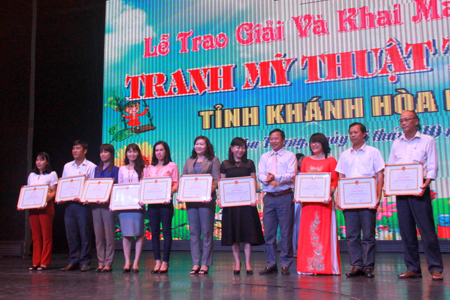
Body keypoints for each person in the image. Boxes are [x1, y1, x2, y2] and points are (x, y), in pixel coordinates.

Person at [388, 110, 443, 281]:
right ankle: (412, 267)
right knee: (406, 231)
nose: (404, 123)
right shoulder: (396, 143)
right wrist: (389, 185)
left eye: (407, 119)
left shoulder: (428, 140)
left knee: (427, 230)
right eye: (401, 120)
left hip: (420, 190)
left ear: (416, 121)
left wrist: (426, 184)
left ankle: (435, 268)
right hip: (401, 193)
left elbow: (432, 166)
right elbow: (391, 167)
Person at [335, 123, 384, 278]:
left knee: (368, 235)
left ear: (364, 134)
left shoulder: (373, 152)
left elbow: (379, 175)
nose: (352, 135)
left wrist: (377, 196)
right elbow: (341, 177)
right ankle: (356, 265)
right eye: (350, 133)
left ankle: (368, 266)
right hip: (349, 201)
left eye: (356, 132)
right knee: (352, 235)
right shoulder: (344, 154)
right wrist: (338, 197)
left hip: (368, 200)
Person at [219, 137, 264, 275]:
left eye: (243, 147)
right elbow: (222, 184)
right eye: (237, 147)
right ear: (231, 148)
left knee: (248, 235)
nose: (240, 150)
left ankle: (249, 262)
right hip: (231, 206)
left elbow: (253, 182)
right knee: (234, 235)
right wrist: (221, 199)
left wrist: (253, 197)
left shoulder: (249, 163)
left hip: (247, 205)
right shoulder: (225, 164)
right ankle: (237, 262)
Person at [296, 133, 341, 275]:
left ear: (323, 144)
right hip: (308, 204)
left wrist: (329, 193)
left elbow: (334, 180)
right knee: (308, 233)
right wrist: (299, 194)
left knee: (324, 233)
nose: (314, 145)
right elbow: (302, 180)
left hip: (324, 203)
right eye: (312, 142)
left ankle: (326, 266)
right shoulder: (306, 161)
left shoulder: (331, 160)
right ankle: (308, 267)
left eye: (317, 142)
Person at [257, 128, 297, 275]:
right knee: (269, 233)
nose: (273, 141)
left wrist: (275, 177)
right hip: (269, 197)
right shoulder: (264, 156)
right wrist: (264, 179)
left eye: (276, 138)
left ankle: (285, 263)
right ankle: (271, 263)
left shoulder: (290, 156)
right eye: (271, 138)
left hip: (284, 196)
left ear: (283, 140)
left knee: (286, 231)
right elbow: (260, 173)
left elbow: (291, 175)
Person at [180, 136, 220, 275]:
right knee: (193, 232)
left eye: (201, 144)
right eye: (196, 144)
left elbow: (216, 180)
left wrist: (207, 193)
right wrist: (181, 195)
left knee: (207, 232)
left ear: (207, 145)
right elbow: (183, 179)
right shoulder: (189, 161)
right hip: (191, 201)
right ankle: (195, 263)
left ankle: (205, 263)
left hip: (206, 201)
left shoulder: (214, 160)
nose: (199, 146)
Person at [61, 140, 96, 272]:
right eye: (73, 148)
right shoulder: (67, 166)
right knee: (72, 234)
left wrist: (85, 198)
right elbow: (64, 184)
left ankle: (85, 261)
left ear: (85, 151)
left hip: (83, 205)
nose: (75, 151)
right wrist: (62, 197)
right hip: (69, 205)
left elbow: (92, 187)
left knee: (85, 233)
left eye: (77, 148)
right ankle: (73, 260)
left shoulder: (91, 166)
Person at [145, 141, 179, 274]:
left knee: (166, 232)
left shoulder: (172, 166)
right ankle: (157, 261)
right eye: (156, 150)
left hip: (166, 204)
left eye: (161, 150)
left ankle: (165, 261)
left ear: (166, 151)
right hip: (152, 205)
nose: (159, 153)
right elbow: (147, 186)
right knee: (154, 232)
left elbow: (175, 185)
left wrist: (166, 194)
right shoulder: (150, 167)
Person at [26, 152, 58, 271]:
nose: (39, 162)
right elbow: (28, 192)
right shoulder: (32, 175)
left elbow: (54, 191)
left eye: (42, 160)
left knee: (46, 235)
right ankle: (36, 261)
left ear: (47, 162)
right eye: (37, 160)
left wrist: (44, 200)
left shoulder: (51, 174)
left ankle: (44, 261)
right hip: (33, 208)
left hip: (46, 207)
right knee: (35, 235)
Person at [118, 143, 147, 273]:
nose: (132, 154)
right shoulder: (122, 169)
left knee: (139, 233)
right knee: (126, 234)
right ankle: (127, 262)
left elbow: (145, 186)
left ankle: (136, 262)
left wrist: (143, 200)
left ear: (138, 153)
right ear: (126, 154)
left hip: (138, 205)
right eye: (129, 152)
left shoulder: (143, 168)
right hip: (125, 205)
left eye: (134, 151)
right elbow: (119, 187)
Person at [92, 144, 119, 272]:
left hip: (108, 206)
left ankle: (108, 262)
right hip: (95, 206)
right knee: (98, 235)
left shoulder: (115, 170)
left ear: (111, 154)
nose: (103, 154)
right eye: (101, 152)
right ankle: (100, 261)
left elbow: (117, 188)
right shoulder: (96, 170)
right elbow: (91, 188)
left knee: (109, 234)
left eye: (106, 152)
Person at [293, 153, 305, 258]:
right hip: (294, 200)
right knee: (294, 225)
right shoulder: (294, 173)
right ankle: (294, 249)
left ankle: (302, 248)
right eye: (300, 160)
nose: (302, 162)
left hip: (303, 200)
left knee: (302, 224)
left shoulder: (305, 173)